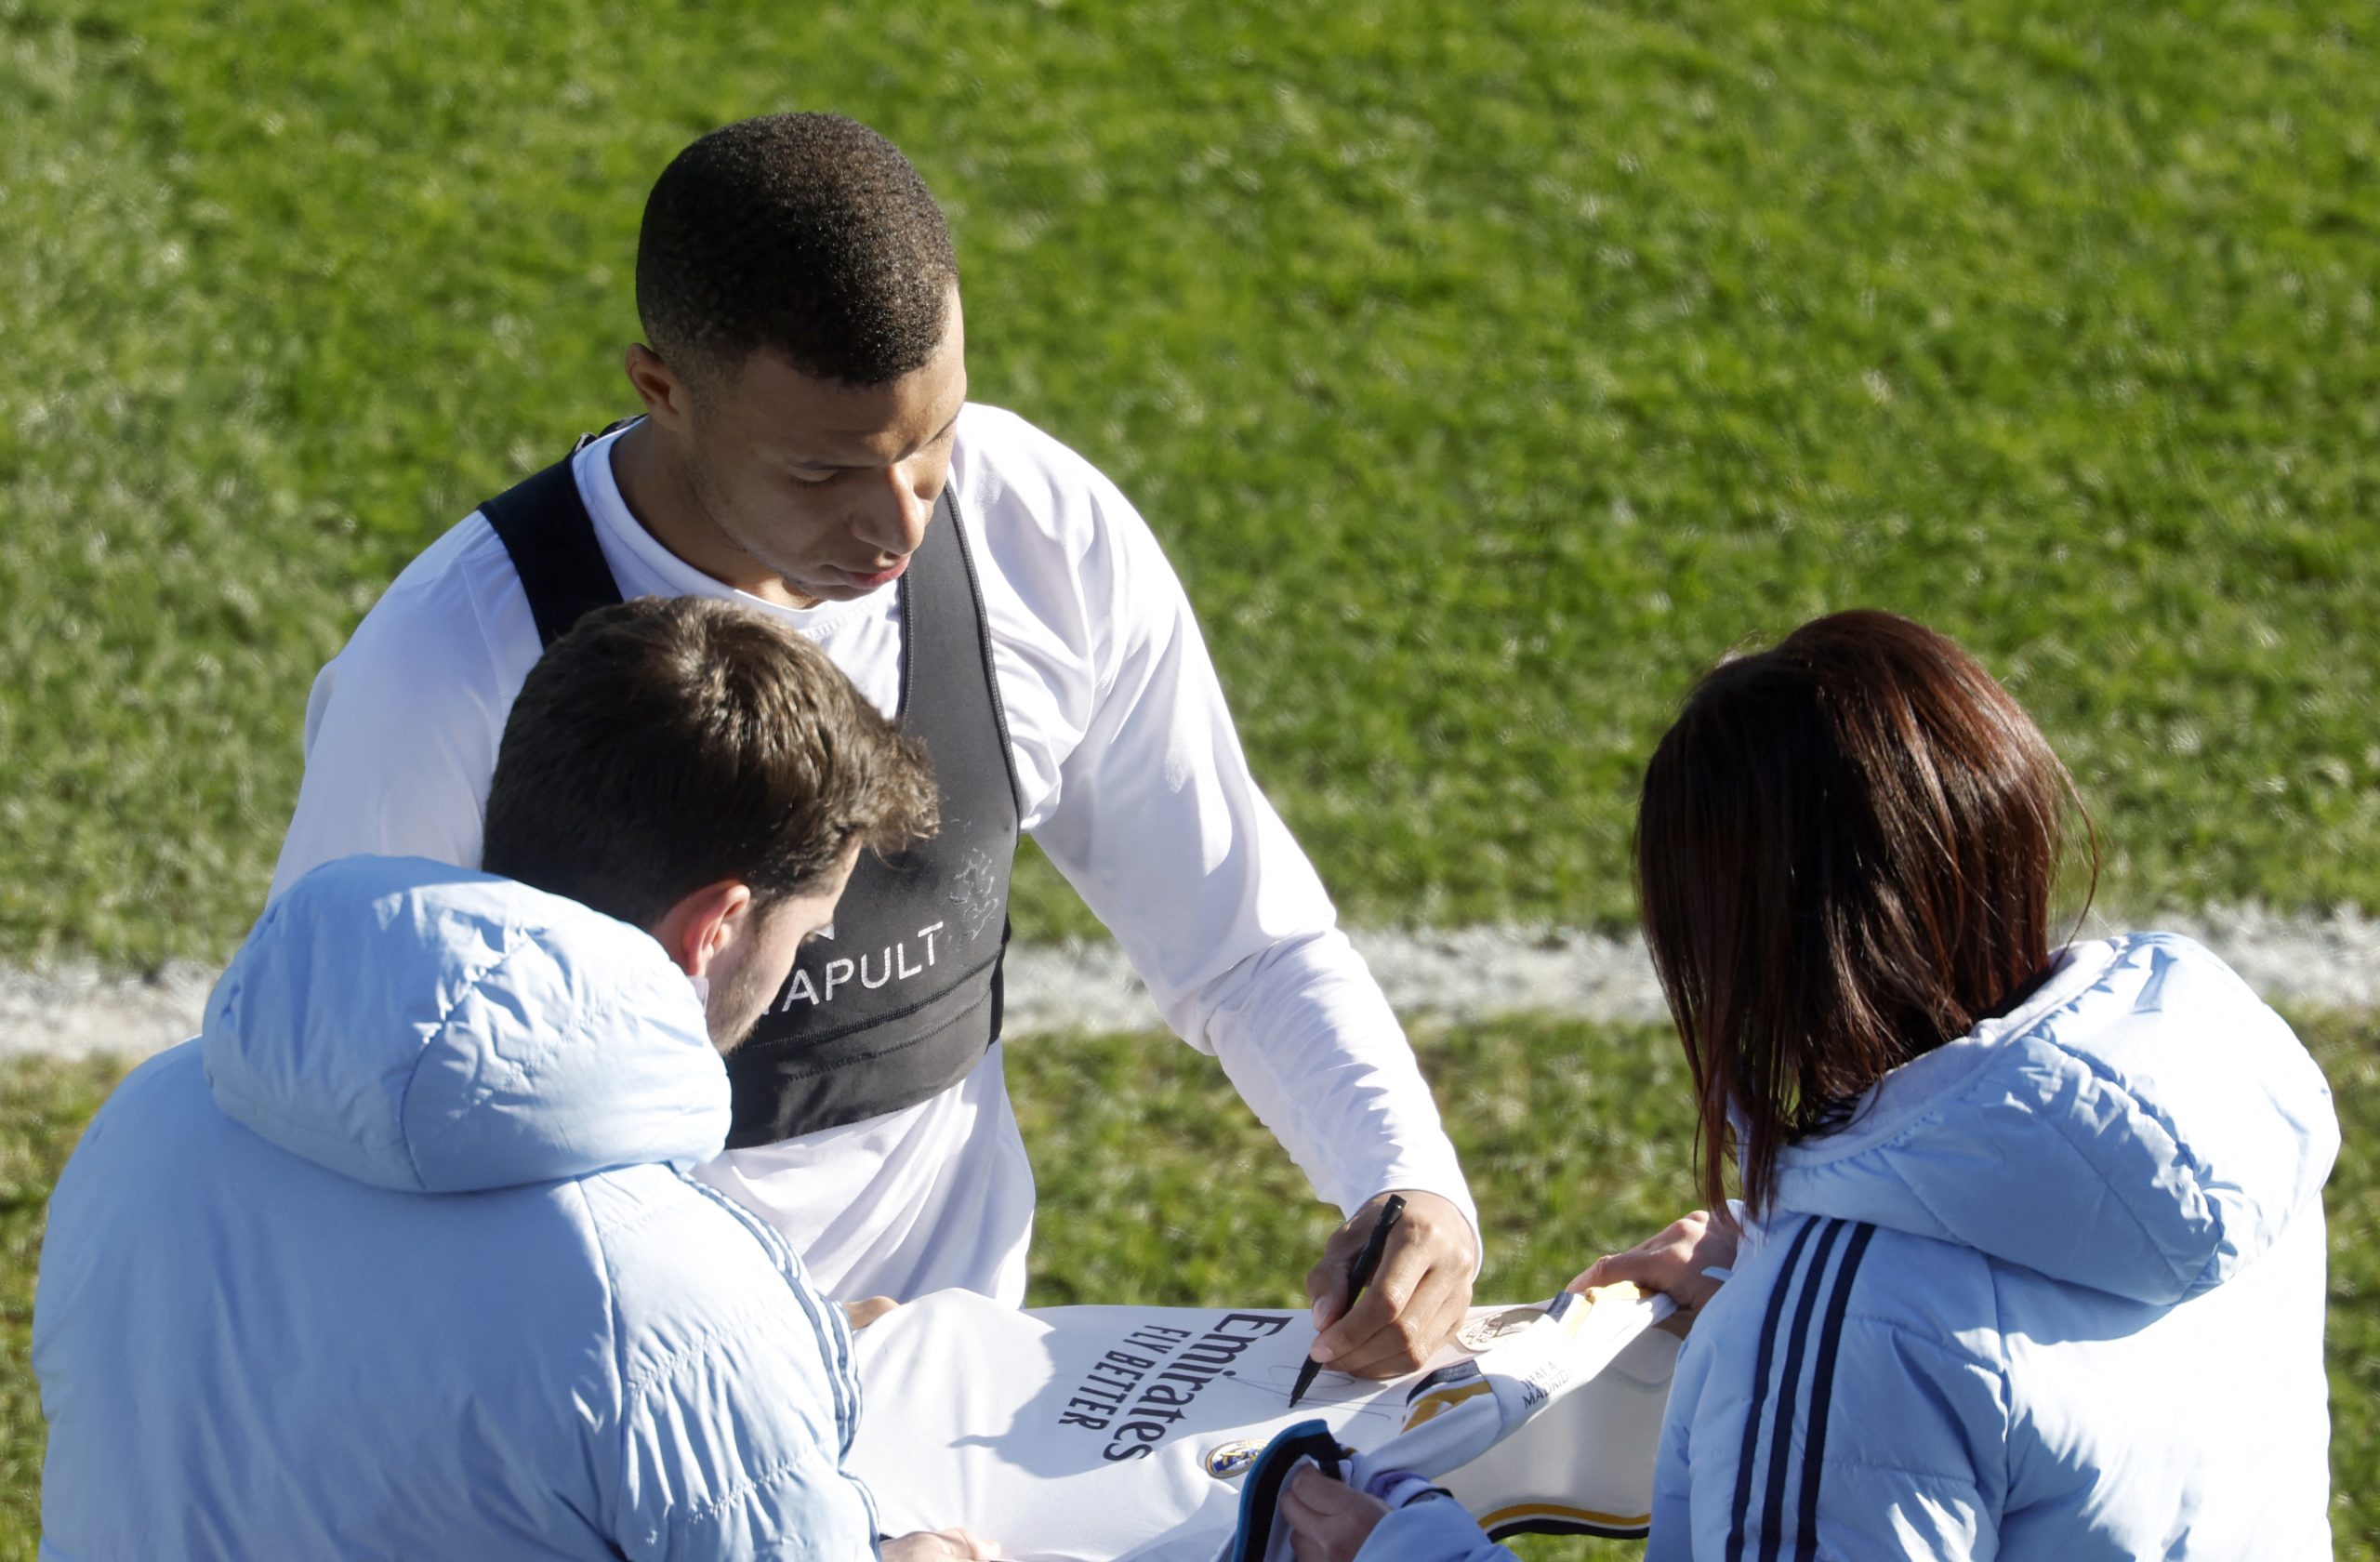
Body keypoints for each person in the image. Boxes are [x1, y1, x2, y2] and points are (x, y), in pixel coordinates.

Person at [265, 111, 1477, 1373]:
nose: (897, 524)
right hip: (597, 1415)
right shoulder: (450, 662)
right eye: (820, 473)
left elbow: (1241, 941)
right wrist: (748, 1350)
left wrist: (1408, 1181)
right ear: (661, 389)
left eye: (931, 440)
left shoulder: (1034, 531)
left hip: (949, 1417)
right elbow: (335, 1129)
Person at [1279, 610, 2339, 1560]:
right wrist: (1792, 1253)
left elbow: (1897, 1346)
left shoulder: (1844, 1334)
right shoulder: (2213, 1093)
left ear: (1746, 954)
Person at [34, 598, 995, 1561]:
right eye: (805, 932)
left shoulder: (144, 1125)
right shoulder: (675, 1308)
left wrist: (782, 1354)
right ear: (718, 927)